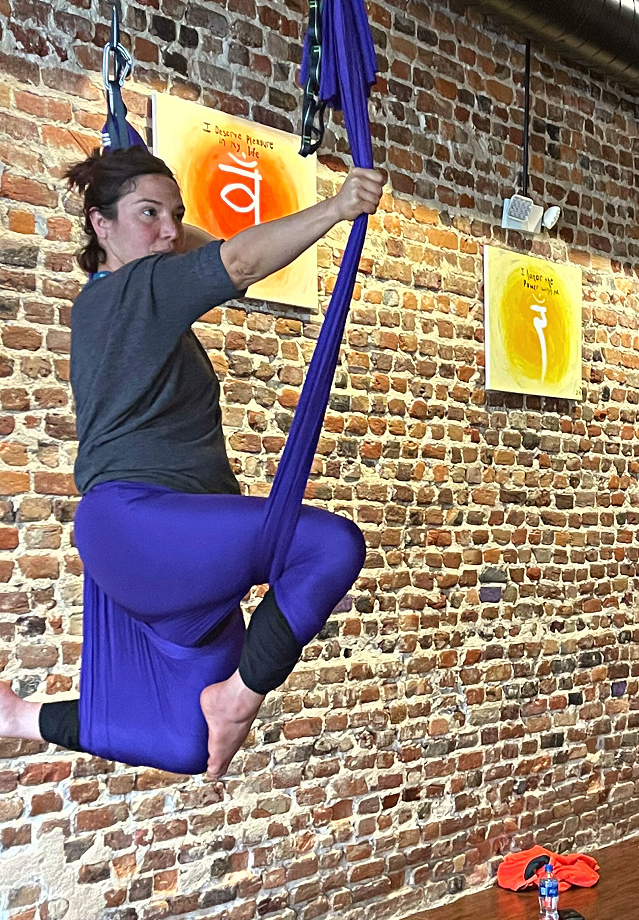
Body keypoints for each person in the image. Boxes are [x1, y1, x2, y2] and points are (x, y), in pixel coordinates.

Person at [0, 146, 385, 778]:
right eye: (147, 213)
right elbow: (233, 258)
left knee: (187, 745)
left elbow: (196, 244)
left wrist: (153, 219)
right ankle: (237, 699)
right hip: (141, 528)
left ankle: (18, 719)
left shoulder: (113, 299)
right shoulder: (137, 288)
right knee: (330, 547)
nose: (169, 230)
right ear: (100, 224)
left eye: (174, 214)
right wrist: (338, 208)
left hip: (162, 546)